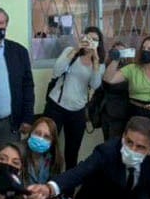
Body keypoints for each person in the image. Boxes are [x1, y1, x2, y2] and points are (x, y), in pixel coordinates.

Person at [0, 6, 35, 164]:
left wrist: (27, 117)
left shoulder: (19, 52)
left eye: (0, 22)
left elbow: (27, 86)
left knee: (8, 167)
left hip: (9, 124)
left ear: (6, 25)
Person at [43, 26, 104, 169]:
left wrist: (95, 61)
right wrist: (76, 49)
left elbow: (95, 85)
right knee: (48, 147)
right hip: (56, 106)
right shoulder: (70, 51)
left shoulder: (100, 64)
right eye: (88, 38)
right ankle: (47, 182)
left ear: (99, 43)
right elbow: (57, 71)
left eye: (95, 40)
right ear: (83, 38)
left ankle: (68, 187)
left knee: (72, 151)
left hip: (77, 111)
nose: (91, 42)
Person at [103, 35, 150, 146]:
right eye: (144, 48)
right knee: (135, 147)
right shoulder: (132, 68)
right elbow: (109, 79)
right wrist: (116, 59)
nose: (145, 51)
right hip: (136, 113)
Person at [23, 116, 74, 199]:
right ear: (30, 133)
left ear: (52, 141)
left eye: (46, 137)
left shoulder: (54, 159)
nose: (40, 139)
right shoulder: (18, 153)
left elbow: (55, 185)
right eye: (37, 133)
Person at [99, 41, 131, 140]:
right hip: (109, 111)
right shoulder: (105, 67)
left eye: (122, 52)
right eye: (116, 52)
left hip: (125, 111)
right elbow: (106, 83)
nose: (119, 54)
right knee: (110, 142)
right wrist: (115, 61)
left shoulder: (130, 68)